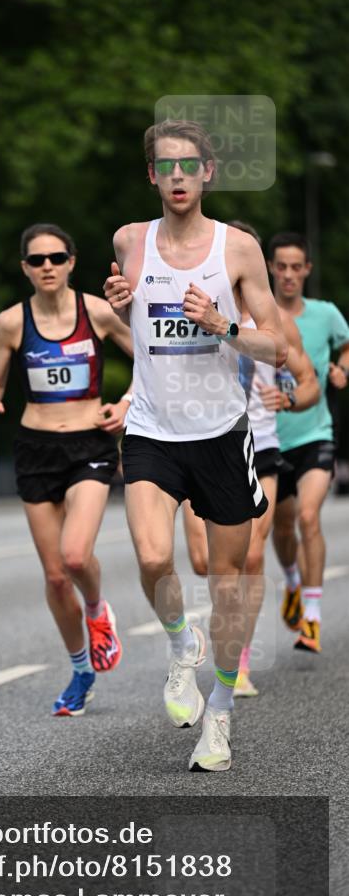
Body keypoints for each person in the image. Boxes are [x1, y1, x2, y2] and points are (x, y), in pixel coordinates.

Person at [104, 119, 288, 772]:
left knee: (228, 582)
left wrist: (225, 324)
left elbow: (278, 346)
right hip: (153, 426)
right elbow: (125, 315)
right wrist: (116, 302)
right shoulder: (130, 241)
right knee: (154, 559)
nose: (176, 177)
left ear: (207, 173)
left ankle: (221, 712)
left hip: (220, 434)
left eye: (187, 166)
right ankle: (182, 647)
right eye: (164, 167)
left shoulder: (236, 249)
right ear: (149, 176)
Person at [0, 223, 132, 716]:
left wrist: (126, 402)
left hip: (90, 442)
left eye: (56, 258)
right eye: (37, 260)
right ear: (25, 267)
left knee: (75, 557)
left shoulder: (99, 313)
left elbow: (151, 360)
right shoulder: (11, 322)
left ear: (71, 262)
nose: (47, 266)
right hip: (36, 447)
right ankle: (81, 670)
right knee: (54, 575)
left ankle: (97, 611)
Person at [181, 221, 320, 697]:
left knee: (253, 554)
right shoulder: (192, 304)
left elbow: (307, 382)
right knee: (205, 563)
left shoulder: (275, 322)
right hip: (198, 442)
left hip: (259, 446)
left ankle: (237, 661)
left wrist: (293, 401)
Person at [268, 233, 349, 652]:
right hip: (271, 441)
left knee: (309, 517)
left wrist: (342, 369)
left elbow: (347, 345)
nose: (288, 275)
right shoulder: (257, 317)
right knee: (282, 528)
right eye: (280, 266)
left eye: (295, 267)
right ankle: (293, 582)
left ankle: (312, 619)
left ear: (307, 271)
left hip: (316, 433)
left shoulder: (325, 314)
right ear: (269, 268)